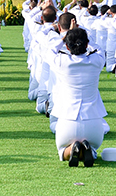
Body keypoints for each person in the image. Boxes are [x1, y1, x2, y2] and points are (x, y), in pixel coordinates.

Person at [48, 26, 106, 167]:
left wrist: (64, 37)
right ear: (86, 45)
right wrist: (86, 37)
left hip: (67, 121)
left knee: (62, 151)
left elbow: (50, 51)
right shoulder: (96, 61)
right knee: (94, 149)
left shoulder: (62, 62)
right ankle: (87, 150)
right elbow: (100, 49)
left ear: (67, 47)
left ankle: (72, 149)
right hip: (94, 122)